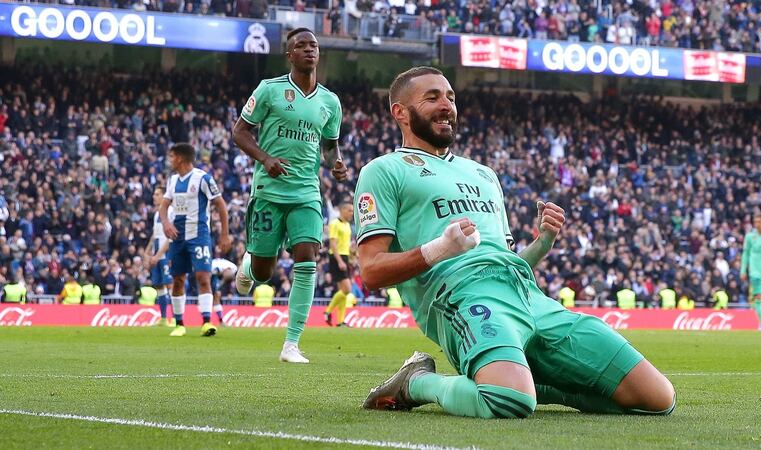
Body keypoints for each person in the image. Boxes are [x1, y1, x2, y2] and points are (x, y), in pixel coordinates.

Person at [356, 67, 675, 419]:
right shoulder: (383, 171)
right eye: (431, 98)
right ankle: (415, 382)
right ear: (399, 112)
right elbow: (371, 271)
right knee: (507, 401)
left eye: (450, 97)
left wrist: (541, 244)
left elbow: (503, 261)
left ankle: (530, 384)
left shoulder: (484, 175)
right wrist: (440, 249)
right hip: (462, 298)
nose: (446, 105)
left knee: (658, 398)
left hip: (527, 295)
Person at [232, 27, 346, 363]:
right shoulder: (270, 90)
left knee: (307, 256)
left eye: (314, 45)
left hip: (306, 192)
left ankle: (291, 344)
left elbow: (329, 147)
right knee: (265, 272)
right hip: (269, 190)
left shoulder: (330, 102)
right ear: (290, 54)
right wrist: (265, 158)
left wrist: (335, 164)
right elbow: (239, 132)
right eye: (301, 45)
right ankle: (250, 265)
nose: (310, 50)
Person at [160, 143, 232, 337]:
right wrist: (166, 223)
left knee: (203, 277)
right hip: (177, 237)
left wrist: (225, 234)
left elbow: (221, 205)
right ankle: (179, 324)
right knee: (177, 279)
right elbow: (164, 206)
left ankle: (207, 322)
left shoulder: (203, 178)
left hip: (199, 235)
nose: (170, 160)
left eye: (172, 156)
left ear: (181, 158)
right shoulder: (172, 180)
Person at [144, 187, 174, 326]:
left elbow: (171, 237)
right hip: (157, 255)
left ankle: (175, 318)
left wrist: (159, 255)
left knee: (170, 285)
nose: (154, 196)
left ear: (164, 196)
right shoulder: (157, 215)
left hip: (166, 255)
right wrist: (147, 252)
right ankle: (163, 318)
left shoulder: (170, 212)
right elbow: (155, 236)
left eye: (157, 194)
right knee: (159, 286)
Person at [325, 203, 354, 327]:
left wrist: (353, 254)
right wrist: (340, 261)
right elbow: (333, 244)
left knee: (343, 291)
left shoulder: (347, 225)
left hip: (345, 256)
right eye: (349, 210)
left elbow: (345, 244)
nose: (352, 213)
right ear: (342, 210)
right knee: (347, 289)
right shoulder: (334, 224)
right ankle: (327, 311)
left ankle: (341, 321)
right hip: (337, 257)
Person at [211, 257, 237, 325]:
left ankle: (220, 320)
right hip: (209, 273)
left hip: (217, 276)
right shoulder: (215, 267)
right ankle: (208, 318)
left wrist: (230, 292)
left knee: (217, 295)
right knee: (211, 295)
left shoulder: (234, 268)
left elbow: (230, 281)